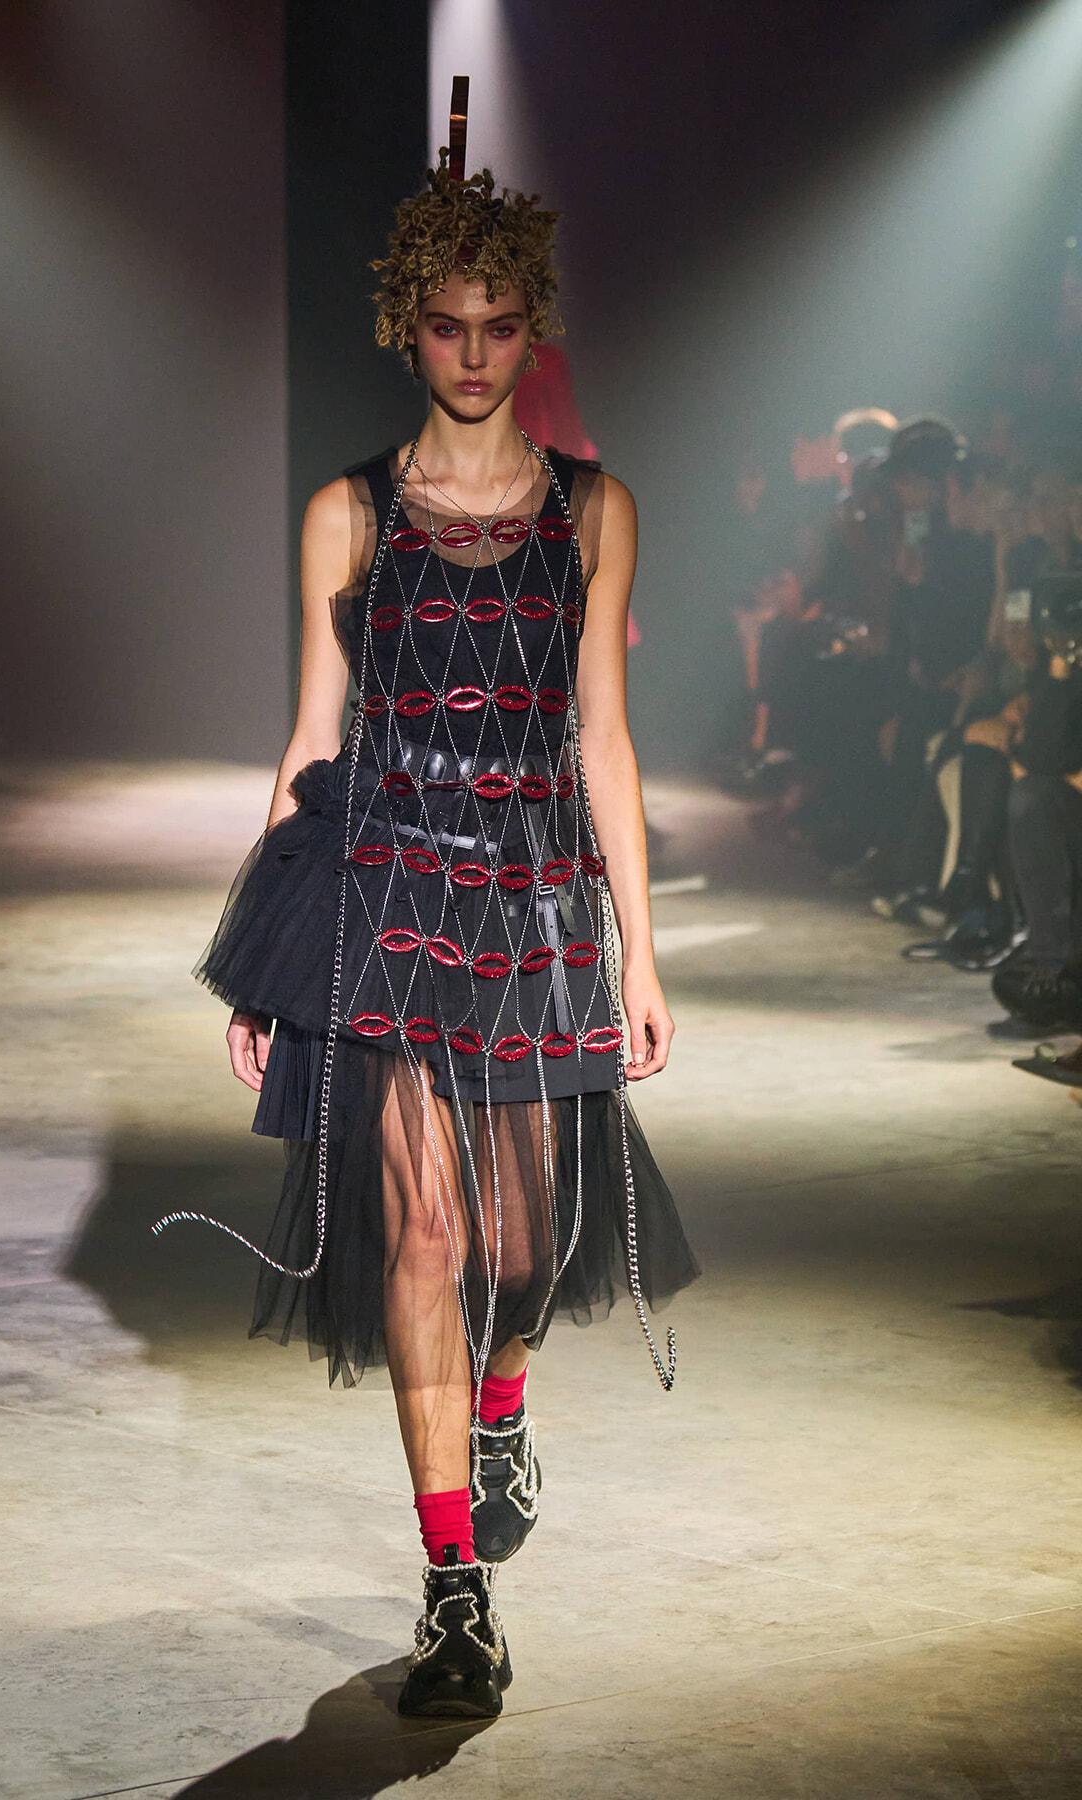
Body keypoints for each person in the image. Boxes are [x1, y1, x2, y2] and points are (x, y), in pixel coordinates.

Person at [156, 155, 697, 1719]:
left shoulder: (597, 514)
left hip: (533, 899)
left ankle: (505, 1404)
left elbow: (605, 737)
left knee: (526, 1253)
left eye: (502, 321)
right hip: (385, 897)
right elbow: (308, 741)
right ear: (410, 326)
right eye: (448, 322)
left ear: (536, 331)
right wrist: (263, 950)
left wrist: (641, 954)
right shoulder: (345, 511)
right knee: (425, 1239)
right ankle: (454, 1586)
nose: (475, 349)